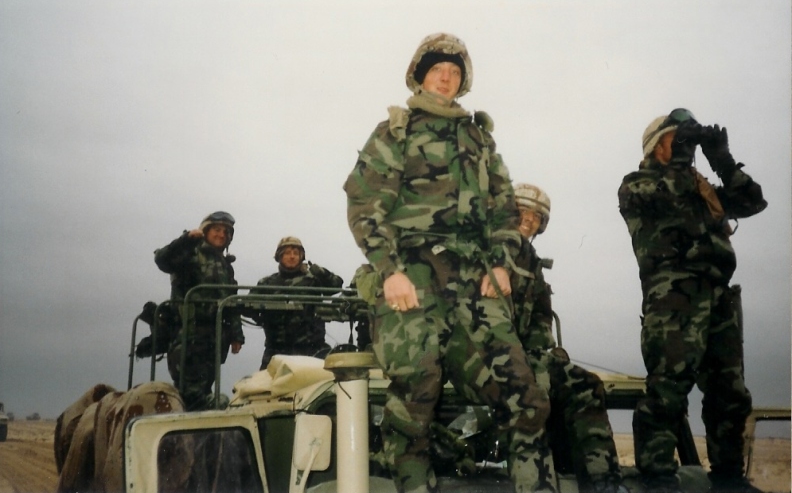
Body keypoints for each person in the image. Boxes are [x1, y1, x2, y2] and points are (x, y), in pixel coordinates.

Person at [344, 32, 555, 493]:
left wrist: (500, 263)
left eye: (455, 72)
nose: (446, 76)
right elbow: (364, 206)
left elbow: (503, 208)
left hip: (477, 283)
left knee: (525, 397)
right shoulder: (395, 132)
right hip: (413, 277)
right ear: (421, 75)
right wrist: (390, 271)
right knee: (415, 398)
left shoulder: (479, 140)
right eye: (438, 68)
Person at [618, 109, 767, 493]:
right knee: (669, 386)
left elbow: (751, 201)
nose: (685, 146)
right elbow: (669, 193)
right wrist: (683, 159)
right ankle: (656, 475)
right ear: (656, 147)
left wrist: (723, 161)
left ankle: (729, 474)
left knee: (729, 393)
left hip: (718, 294)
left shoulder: (699, 188)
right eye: (675, 139)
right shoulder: (638, 185)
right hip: (673, 296)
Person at [511, 183, 627, 493]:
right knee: (529, 397)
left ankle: (602, 481)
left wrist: (536, 354)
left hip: (526, 358)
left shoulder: (533, 265)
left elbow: (539, 319)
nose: (529, 220)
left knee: (584, 385)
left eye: (536, 216)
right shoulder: (485, 254)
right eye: (522, 212)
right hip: (485, 356)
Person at [154, 211, 245, 411]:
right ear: (205, 232)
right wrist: (185, 240)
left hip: (214, 340)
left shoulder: (226, 267)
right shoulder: (191, 254)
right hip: (188, 338)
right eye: (216, 230)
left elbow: (231, 301)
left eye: (225, 232)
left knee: (203, 389)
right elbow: (162, 260)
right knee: (192, 395)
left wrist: (236, 335)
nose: (221, 235)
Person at [249, 236, 343, 370]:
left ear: (301, 256)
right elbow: (248, 306)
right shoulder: (267, 283)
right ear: (279, 257)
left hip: (312, 349)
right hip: (277, 350)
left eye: (296, 253)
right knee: (266, 386)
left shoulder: (313, 280)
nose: (292, 257)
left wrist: (321, 273)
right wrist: (264, 317)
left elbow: (336, 286)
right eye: (287, 253)